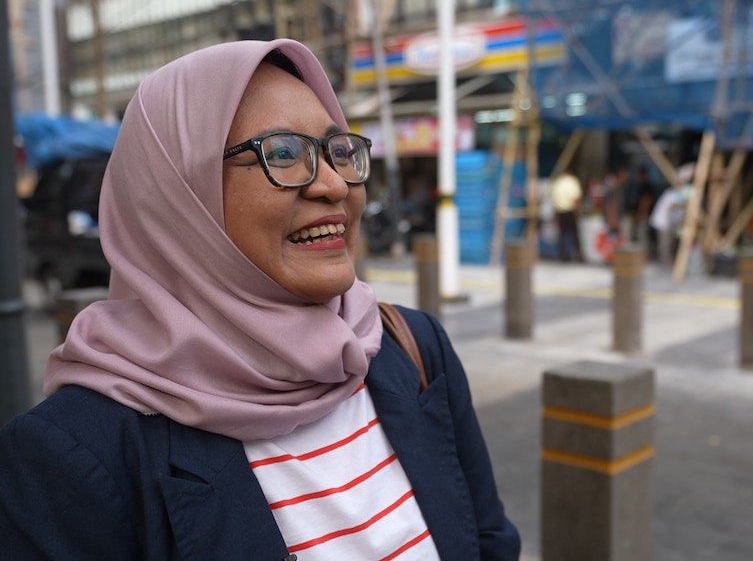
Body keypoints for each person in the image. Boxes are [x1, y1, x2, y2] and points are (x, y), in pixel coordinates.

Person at [0, 39, 520, 560]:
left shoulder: (411, 349)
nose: (335, 185)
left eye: (339, 151)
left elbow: (490, 542)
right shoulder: (74, 455)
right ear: (181, 199)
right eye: (285, 153)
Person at [550, 166, 583, 261]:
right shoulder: (572, 181)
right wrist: (577, 212)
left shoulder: (558, 182)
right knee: (574, 233)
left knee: (562, 234)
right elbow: (576, 198)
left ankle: (563, 255)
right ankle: (577, 254)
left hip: (560, 211)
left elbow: (554, 198)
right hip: (570, 211)